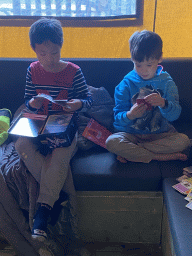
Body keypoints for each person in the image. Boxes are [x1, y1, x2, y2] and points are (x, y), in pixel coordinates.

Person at [15, 17, 92, 241]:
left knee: (60, 153)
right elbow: (28, 99)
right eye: (42, 54)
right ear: (34, 50)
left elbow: (87, 100)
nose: (48, 60)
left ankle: (43, 211)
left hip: (65, 125)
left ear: (61, 47)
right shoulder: (32, 70)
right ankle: (57, 196)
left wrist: (77, 104)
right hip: (39, 121)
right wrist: (32, 103)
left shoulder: (74, 71)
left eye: (54, 53)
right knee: (21, 143)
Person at [106, 30, 190, 164]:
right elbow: (116, 121)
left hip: (160, 135)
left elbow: (174, 116)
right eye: (138, 65)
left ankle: (135, 153)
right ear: (132, 60)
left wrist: (164, 103)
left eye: (149, 64)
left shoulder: (167, 82)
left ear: (160, 58)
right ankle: (158, 156)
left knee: (184, 141)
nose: (143, 70)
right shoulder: (126, 84)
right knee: (111, 142)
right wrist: (130, 115)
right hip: (132, 135)